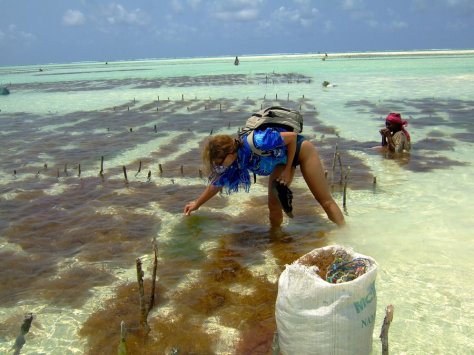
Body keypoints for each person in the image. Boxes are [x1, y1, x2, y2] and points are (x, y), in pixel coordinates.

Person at [183, 127, 345, 227]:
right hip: (280, 161)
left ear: (230, 152)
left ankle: (346, 234)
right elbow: (217, 183)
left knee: (325, 201)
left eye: (220, 162)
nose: (220, 166)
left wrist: (288, 170)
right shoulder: (236, 161)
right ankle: (276, 239)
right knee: (273, 205)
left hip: (301, 151)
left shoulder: (257, 141)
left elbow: (292, 137)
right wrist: (197, 203)